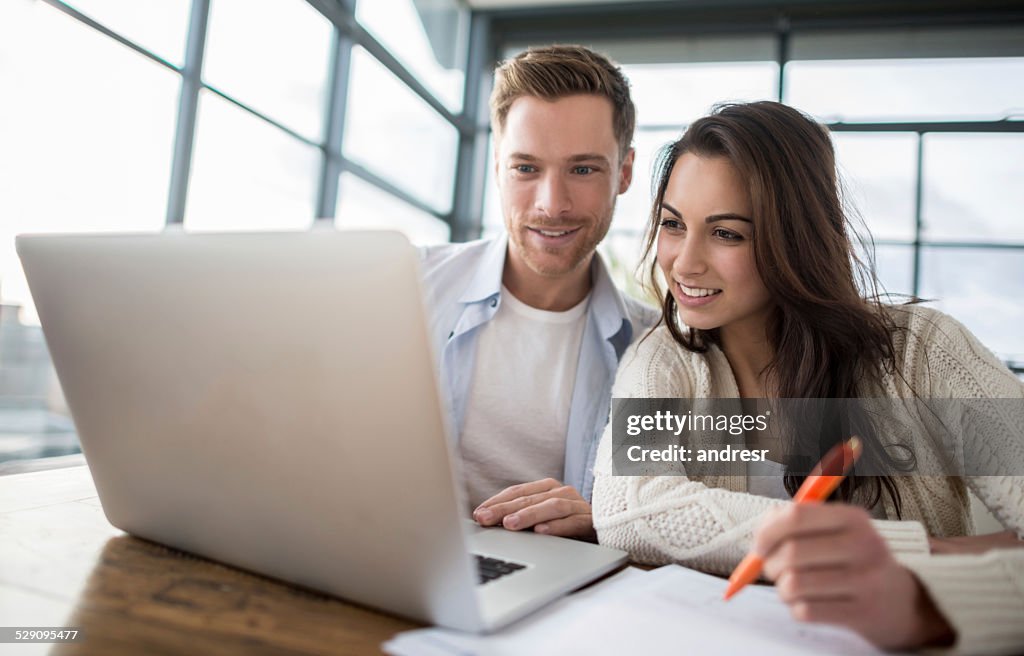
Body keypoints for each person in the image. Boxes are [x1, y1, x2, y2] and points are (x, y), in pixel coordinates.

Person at [589, 101, 1024, 652]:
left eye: (727, 234)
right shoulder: (666, 359)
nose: (684, 263)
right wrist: (917, 551)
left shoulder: (926, 350)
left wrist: (925, 601)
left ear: (796, 238)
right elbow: (633, 512)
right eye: (674, 225)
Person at [420, 45, 657, 540]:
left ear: (625, 173)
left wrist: (606, 522)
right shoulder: (406, 287)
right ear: (497, 167)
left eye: (583, 169)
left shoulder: (657, 349)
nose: (553, 205)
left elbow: (684, 500)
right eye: (526, 168)